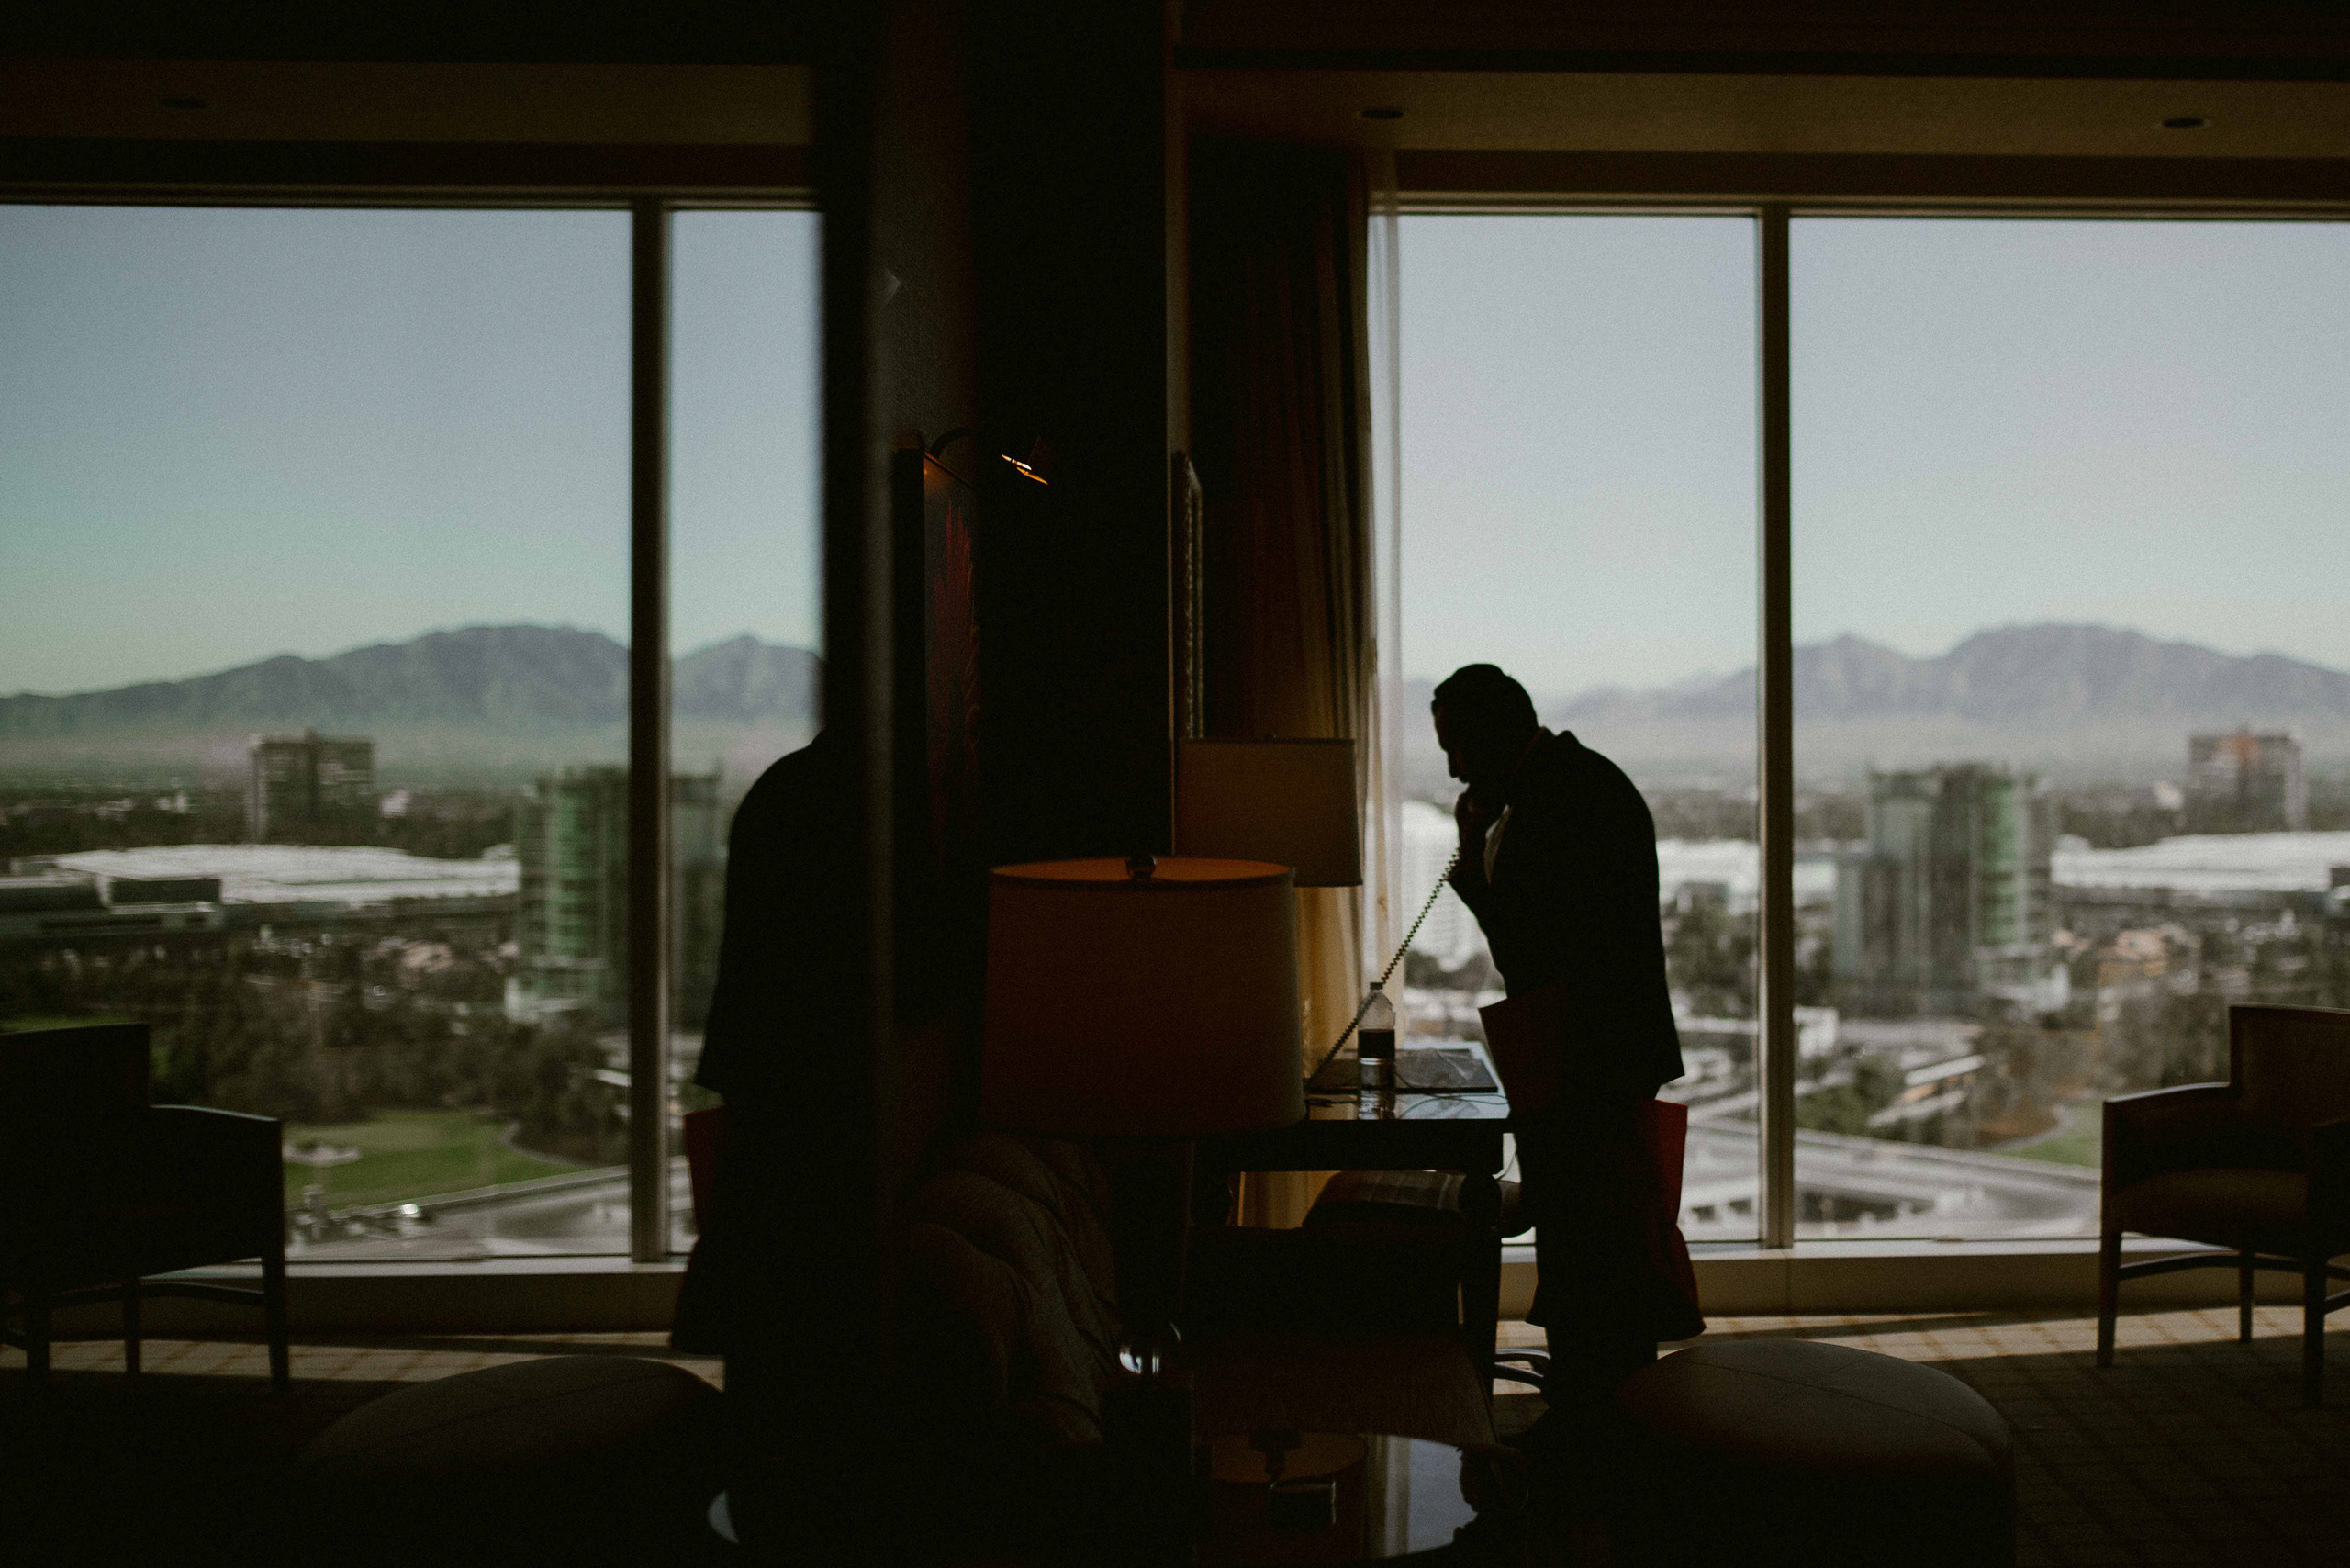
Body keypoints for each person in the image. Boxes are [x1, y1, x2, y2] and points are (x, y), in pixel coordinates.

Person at [1432, 664, 1704, 1409]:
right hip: (1600, 1048)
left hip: (1587, 1055)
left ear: (1492, 733)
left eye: (1456, 746)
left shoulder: (1555, 802)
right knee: (1598, 1245)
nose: (1453, 769)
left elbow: (1527, 952)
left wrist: (1472, 864)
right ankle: (1601, 1408)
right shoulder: (1573, 783)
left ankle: (1595, 1416)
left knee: (1590, 1250)